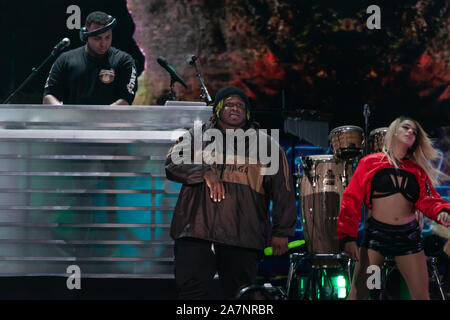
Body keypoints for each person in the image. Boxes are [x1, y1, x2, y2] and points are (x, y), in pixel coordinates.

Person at [165, 86, 297, 299]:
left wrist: (282, 231)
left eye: (240, 105)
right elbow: (172, 163)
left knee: (240, 296)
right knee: (191, 295)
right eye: (228, 104)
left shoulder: (267, 146)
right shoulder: (196, 136)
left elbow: (283, 191)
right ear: (217, 109)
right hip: (195, 232)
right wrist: (205, 172)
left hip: (242, 235)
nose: (235, 108)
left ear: (247, 112)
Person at [337, 116, 450, 300]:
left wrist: (442, 212)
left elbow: (429, 200)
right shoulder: (370, 163)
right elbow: (351, 199)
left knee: (422, 296)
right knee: (358, 294)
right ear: (394, 131)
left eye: (414, 132)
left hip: (408, 238)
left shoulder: (417, 171)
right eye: (406, 127)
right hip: (377, 237)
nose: (410, 132)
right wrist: (348, 237)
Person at [43, 11, 137, 105]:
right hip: (72, 119)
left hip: (110, 120)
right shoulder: (64, 60)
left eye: (107, 37)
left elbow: (126, 99)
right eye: (97, 38)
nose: (103, 44)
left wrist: (100, 118)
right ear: (85, 36)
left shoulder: (124, 61)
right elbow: (49, 95)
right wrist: (64, 115)